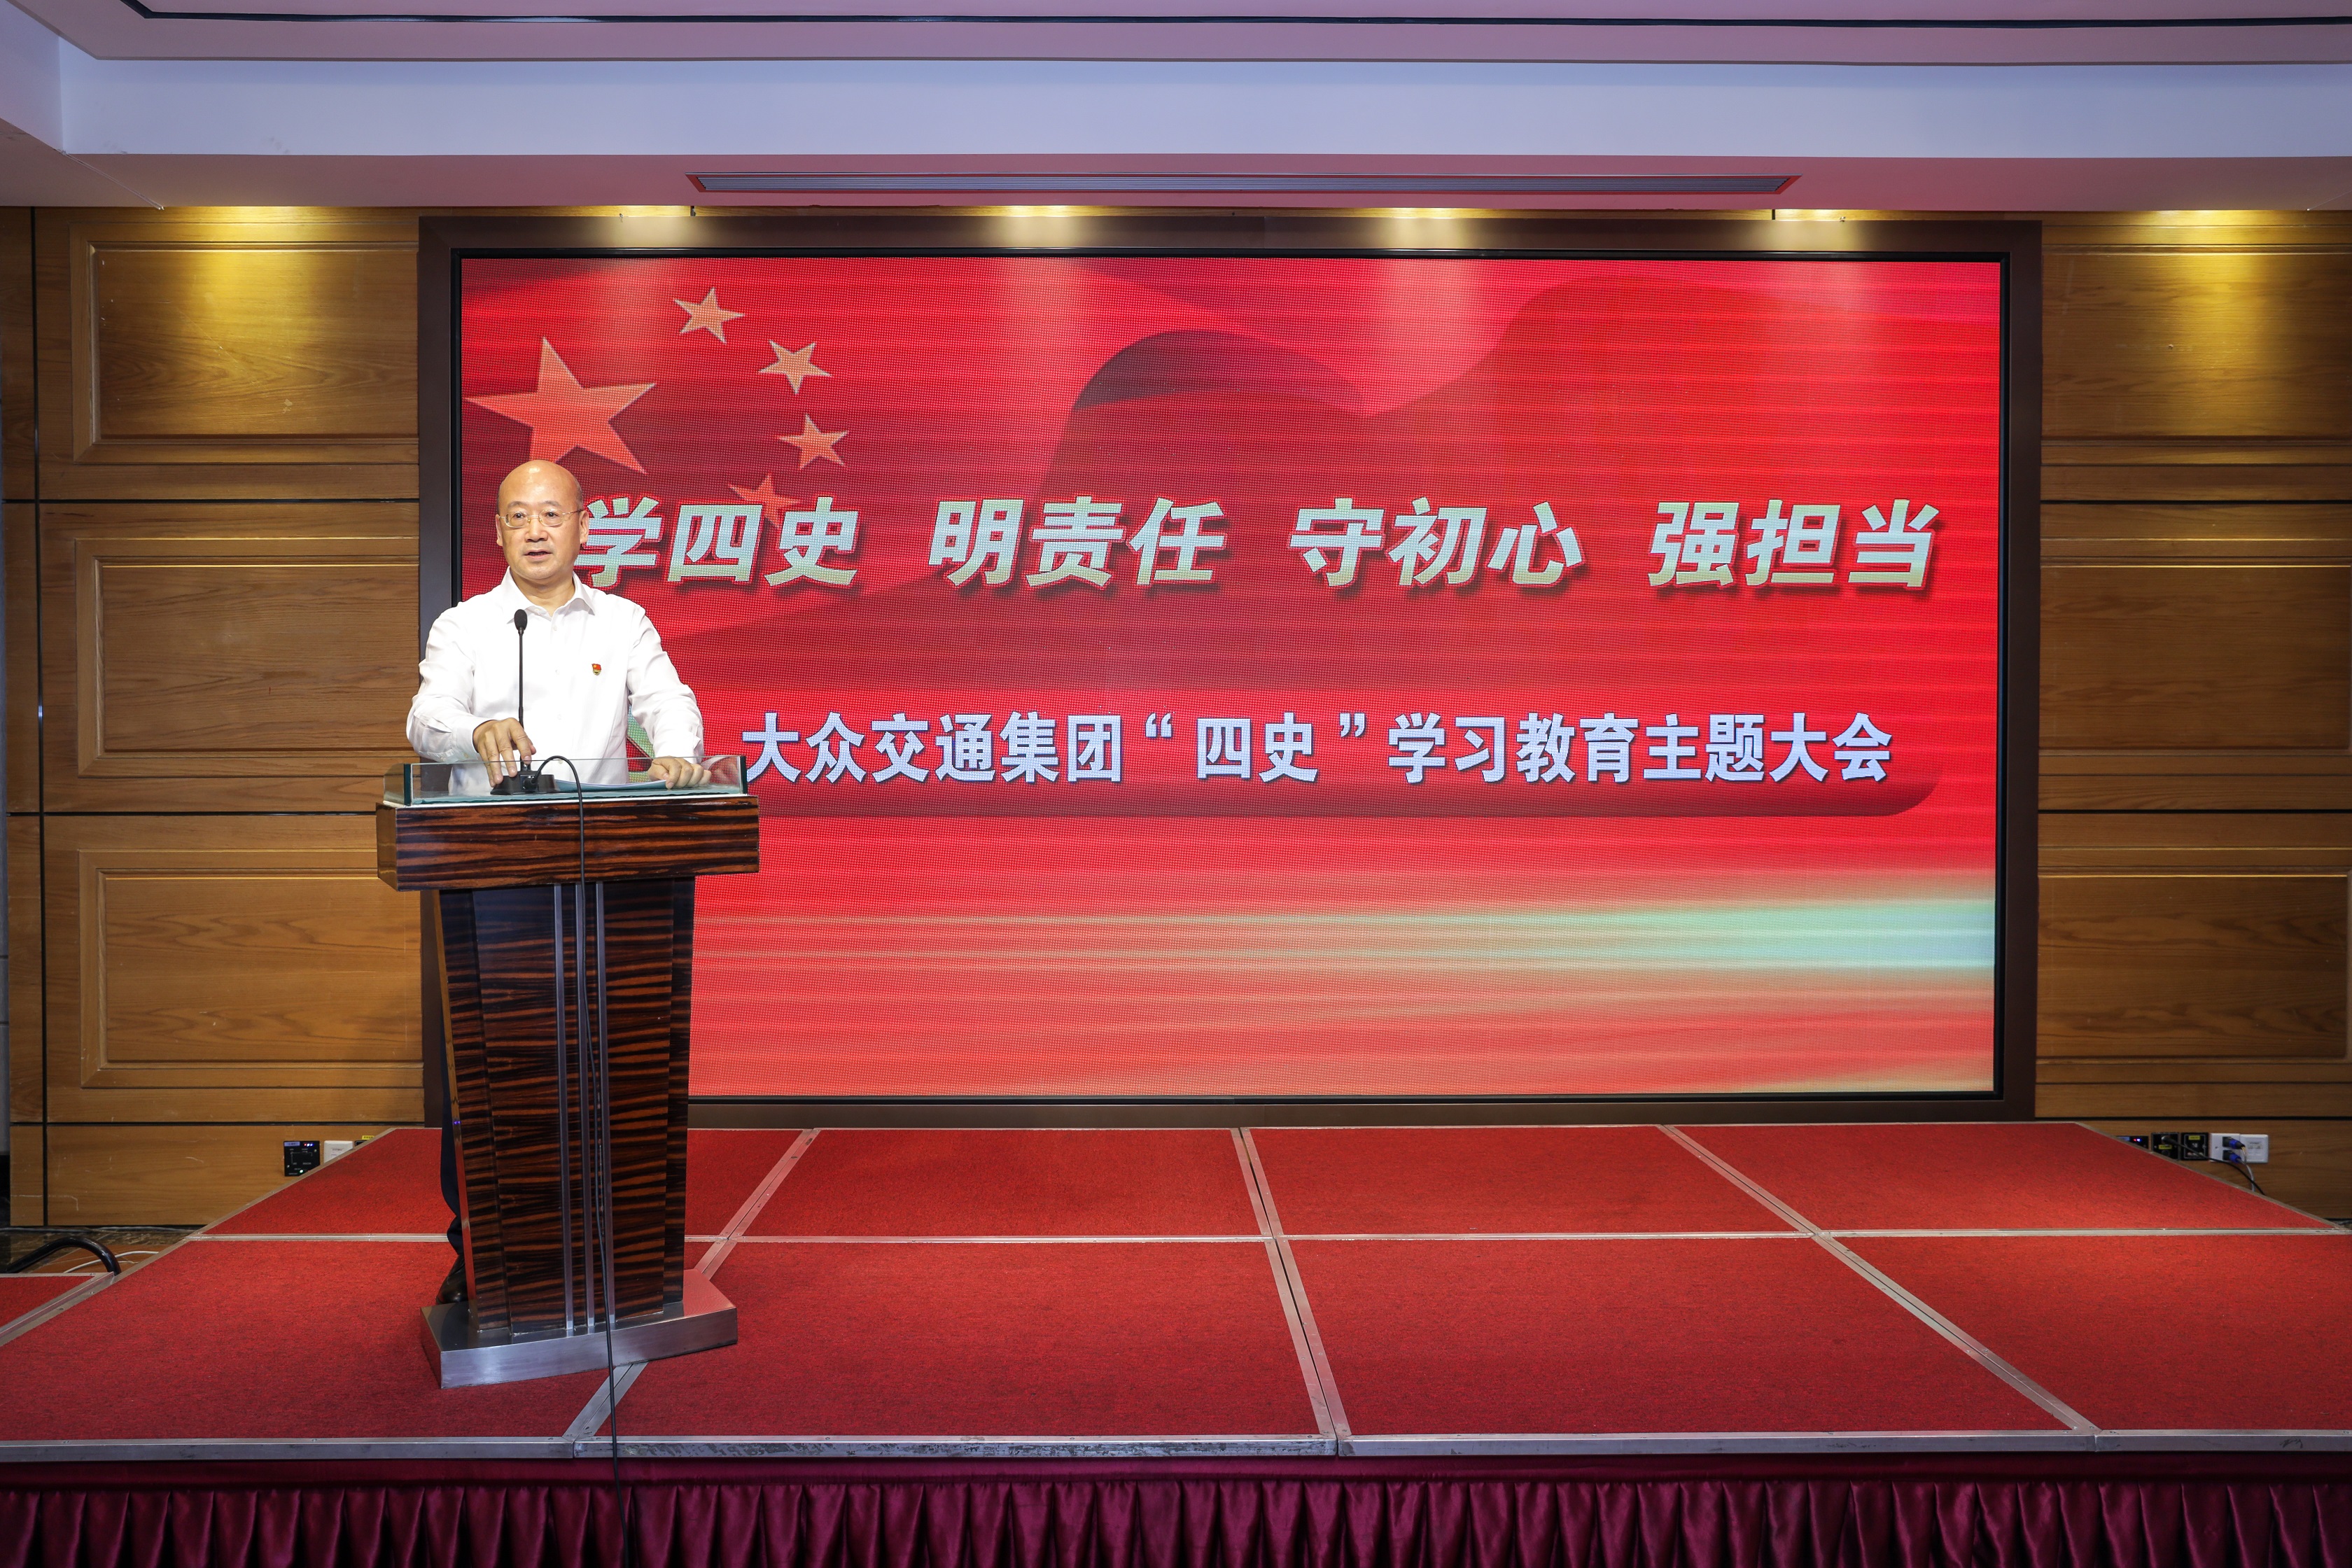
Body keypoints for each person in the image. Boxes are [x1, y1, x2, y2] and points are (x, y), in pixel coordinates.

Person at [405, 458, 709, 1303]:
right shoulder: (468, 625)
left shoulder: (622, 622)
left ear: (583, 526)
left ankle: (623, 1250)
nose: (535, 530)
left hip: (609, 877)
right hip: (493, 882)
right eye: (518, 516)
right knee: (495, 1070)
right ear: (499, 531)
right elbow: (426, 719)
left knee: (613, 1062)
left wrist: (676, 751)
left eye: (550, 514)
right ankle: (482, 1253)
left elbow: (670, 701)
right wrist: (478, 729)